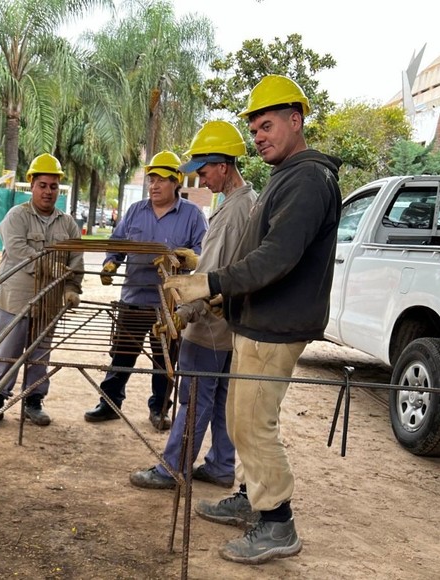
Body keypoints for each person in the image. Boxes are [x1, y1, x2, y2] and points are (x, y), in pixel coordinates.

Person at [165, 75, 342, 565]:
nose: (259, 137)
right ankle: (251, 497)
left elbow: (276, 258)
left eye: (267, 126)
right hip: (258, 317)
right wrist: (225, 295)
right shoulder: (287, 175)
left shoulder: (308, 179)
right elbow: (258, 254)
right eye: (255, 129)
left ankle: (278, 522)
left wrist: (210, 284)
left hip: (276, 325)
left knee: (253, 424)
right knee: (240, 419)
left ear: (295, 120)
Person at [128, 121, 257, 490]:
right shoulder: (245, 202)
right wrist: (196, 261)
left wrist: (183, 313)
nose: (201, 179)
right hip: (231, 326)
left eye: (204, 171)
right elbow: (224, 264)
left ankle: (173, 468)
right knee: (221, 400)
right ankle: (220, 466)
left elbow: (211, 278)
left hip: (210, 325)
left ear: (223, 166)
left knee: (194, 397)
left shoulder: (231, 213)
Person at [84, 151, 207, 431]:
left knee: (165, 359)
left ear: (176, 182)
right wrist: (110, 263)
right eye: (151, 179)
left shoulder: (192, 215)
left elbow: (203, 251)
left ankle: (160, 409)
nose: (154, 185)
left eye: (161, 179)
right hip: (134, 298)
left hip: (169, 304)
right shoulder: (135, 211)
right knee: (122, 354)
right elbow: (117, 243)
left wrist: (186, 258)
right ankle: (109, 403)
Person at [0, 153, 83, 426]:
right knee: (6, 353)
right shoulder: (17, 216)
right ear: (32, 186)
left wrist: (71, 288)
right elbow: (18, 250)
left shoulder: (68, 224)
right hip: (15, 301)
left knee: (40, 356)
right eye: (43, 185)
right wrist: (52, 267)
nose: (48, 191)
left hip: (49, 304)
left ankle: (33, 401)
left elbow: (76, 260)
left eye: (53, 186)